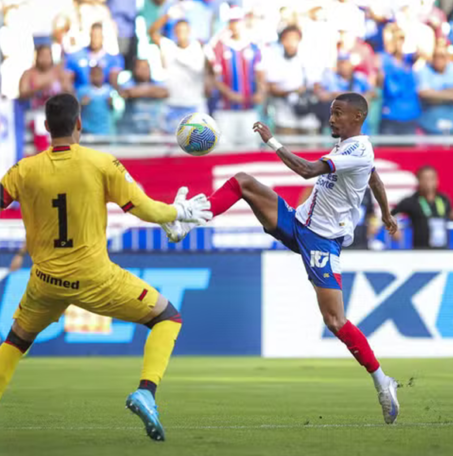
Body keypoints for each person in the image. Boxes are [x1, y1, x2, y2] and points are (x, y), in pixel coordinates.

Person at [0, 93, 212, 442]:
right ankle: (146, 391)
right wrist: (177, 213)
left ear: (45, 128)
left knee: (16, 340)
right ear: (79, 125)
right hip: (95, 278)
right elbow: (145, 209)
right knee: (167, 317)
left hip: (45, 281)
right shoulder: (102, 164)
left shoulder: (24, 170)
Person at [162, 93, 402, 424]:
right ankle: (186, 223)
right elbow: (372, 176)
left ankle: (381, 380)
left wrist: (271, 140)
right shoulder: (350, 147)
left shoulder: (359, 149)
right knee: (243, 182)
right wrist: (387, 213)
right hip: (298, 222)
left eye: (338, 114)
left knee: (334, 320)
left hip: (322, 241)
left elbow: (306, 171)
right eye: (331, 113)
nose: (331, 119)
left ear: (358, 117)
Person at [206, 7, 265, 147]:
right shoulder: (219, 48)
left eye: (238, 21)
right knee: (225, 149)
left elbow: (260, 74)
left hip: (248, 108)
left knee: (250, 149)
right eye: (232, 22)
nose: (235, 25)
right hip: (226, 110)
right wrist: (229, 93)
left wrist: (261, 92)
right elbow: (215, 77)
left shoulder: (254, 47)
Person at [391, 165, 453, 249]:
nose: (428, 182)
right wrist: (394, 229)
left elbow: (452, 213)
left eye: (432, 178)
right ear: (418, 180)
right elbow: (390, 214)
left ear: (437, 180)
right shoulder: (411, 201)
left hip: (442, 251)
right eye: (425, 178)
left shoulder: (443, 199)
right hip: (420, 252)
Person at [148, 16, 207, 127]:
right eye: (178, 30)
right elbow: (151, 32)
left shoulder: (199, 47)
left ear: (189, 31)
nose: (181, 33)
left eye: (184, 30)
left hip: (194, 105)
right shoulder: (168, 46)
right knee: (169, 141)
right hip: (172, 105)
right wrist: (167, 16)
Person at [264, 25, 318, 136]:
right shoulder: (275, 60)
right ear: (282, 41)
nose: (291, 42)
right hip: (284, 119)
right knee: (287, 151)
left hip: (308, 118)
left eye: (294, 39)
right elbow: (271, 88)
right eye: (287, 39)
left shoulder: (308, 59)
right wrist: (292, 92)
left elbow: (317, 85)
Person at [19, 44, 73, 151]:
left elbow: (70, 93)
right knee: (40, 125)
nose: (45, 59)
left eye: (47, 55)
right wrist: (39, 88)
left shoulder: (59, 73)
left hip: (57, 113)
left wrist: (64, 88)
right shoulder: (29, 74)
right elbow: (22, 93)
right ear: (37, 56)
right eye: (42, 55)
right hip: (36, 114)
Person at [416, 44, 453, 135]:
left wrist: (436, 94)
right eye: (435, 56)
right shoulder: (424, 71)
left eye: (442, 56)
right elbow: (424, 94)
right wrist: (452, 96)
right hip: (428, 127)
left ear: (448, 58)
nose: (438, 59)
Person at [378, 28, 421, 135]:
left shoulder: (409, 60)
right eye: (398, 39)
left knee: (409, 151)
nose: (400, 43)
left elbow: (420, 53)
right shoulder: (385, 60)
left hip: (410, 115)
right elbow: (391, 89)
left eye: (403, 40)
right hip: (391, 114)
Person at [66, 22, 123, 91]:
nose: (95, 40)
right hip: (81, 96)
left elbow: (114, 83)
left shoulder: (114, 59)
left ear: (103, 37)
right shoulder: (75, 56)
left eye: (98, 36)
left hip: (103, 98)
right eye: (93, 36)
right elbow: (67, 82)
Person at [118, 58, 169, 135]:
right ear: (134, 69)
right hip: (132, 131)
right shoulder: (127, 83)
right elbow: (128, 93)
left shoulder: (157, 83)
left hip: (153, 130)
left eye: (146, 67)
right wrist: (152, 92)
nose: (143, 70)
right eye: (140, 67)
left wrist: (139, 91)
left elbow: (164, 93)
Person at [77, 65, 113, 135]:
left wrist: (111, 103)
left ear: (103, 75)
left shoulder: (109, 91)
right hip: (87, 130)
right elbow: (76, 111)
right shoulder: (82, 91)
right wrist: (82, 104)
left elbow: (113, 110)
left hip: (104, 130)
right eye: (94, 74)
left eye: (99, 74)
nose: (96, 77)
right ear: (89, 76)